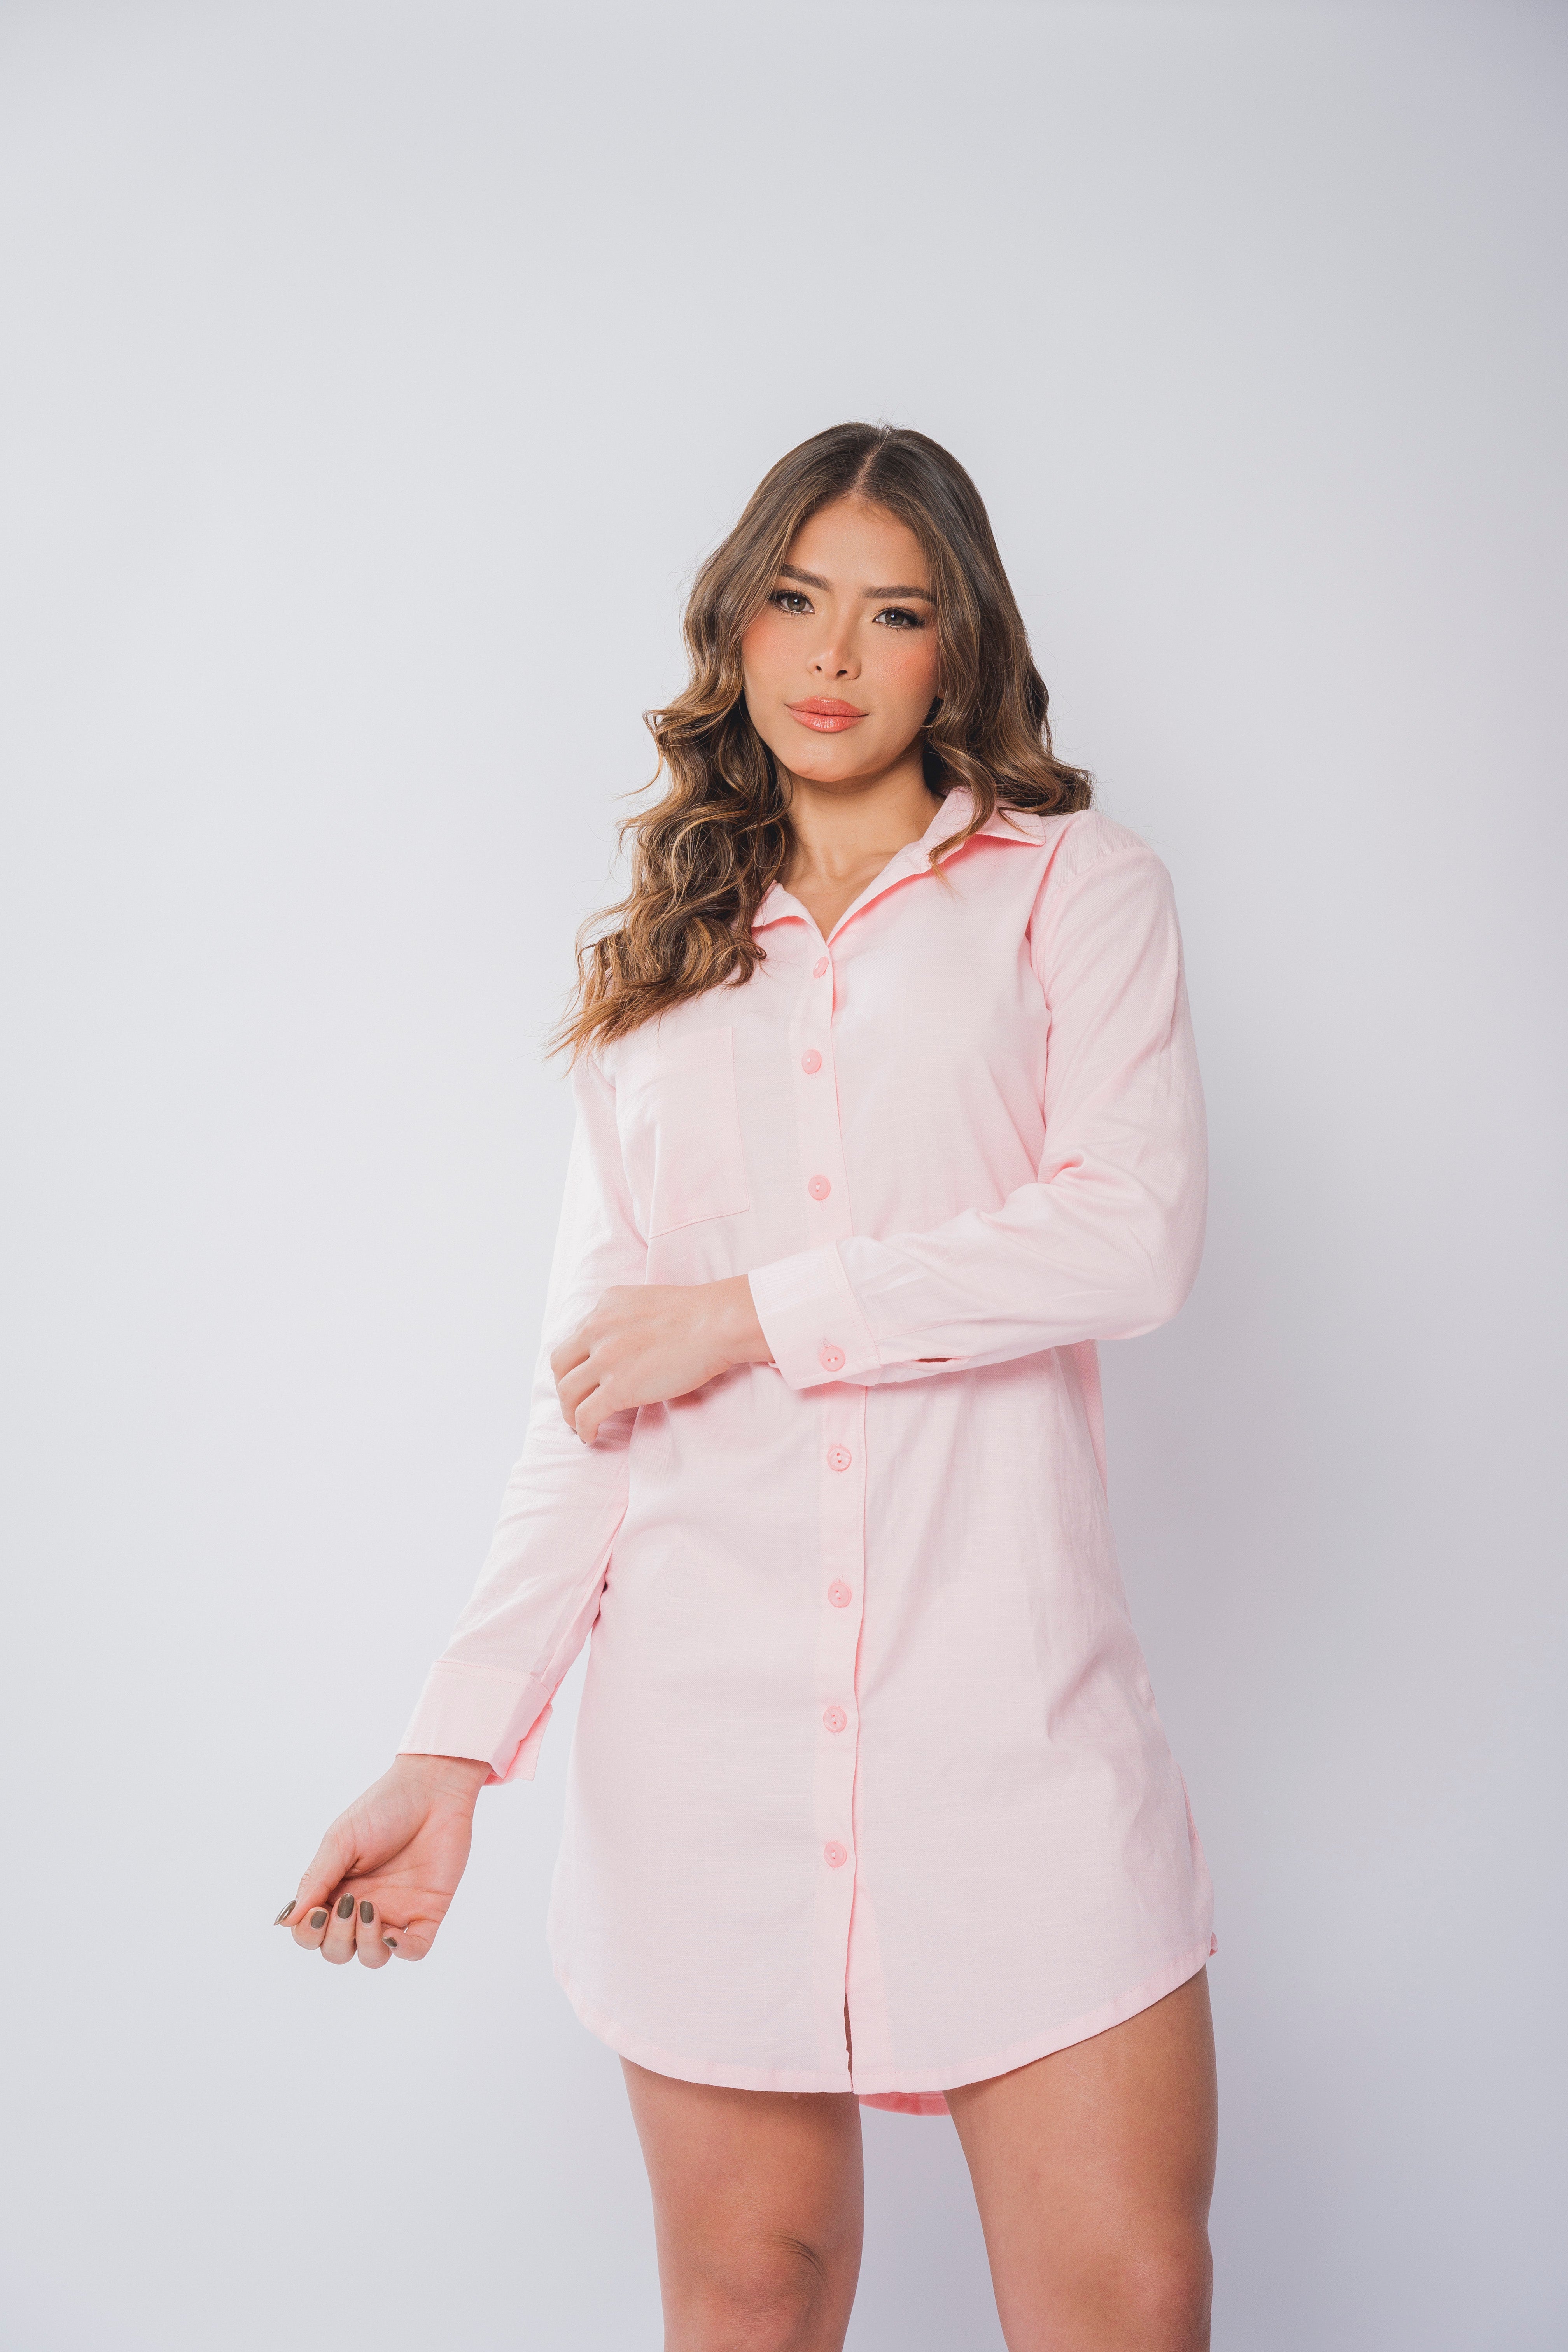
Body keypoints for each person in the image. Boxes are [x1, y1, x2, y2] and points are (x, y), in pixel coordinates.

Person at [276, 422, 1219, 2352]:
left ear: (960, 649)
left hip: (1013, 1729)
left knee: (1128, 2297)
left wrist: (754, 1315)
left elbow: (1128, 1237)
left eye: (896, 613)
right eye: (796, 599)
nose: (835, 656)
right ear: (737, 621)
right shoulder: (663, 969)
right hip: (702, 1753)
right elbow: (588, 1400)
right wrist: (453, 1749)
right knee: (750, 2295)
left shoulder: (1074, 889)